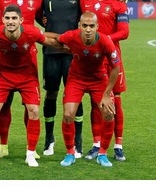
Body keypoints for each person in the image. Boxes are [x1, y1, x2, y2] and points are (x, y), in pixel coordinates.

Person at [0, 4, 60, 167]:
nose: (10, 21)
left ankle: (30, 154)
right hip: (3, 75)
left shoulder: (31, 32)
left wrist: (74, 45)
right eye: (7, 18)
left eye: (14, 18)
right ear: (2, 20)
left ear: (21, 20)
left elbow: (49, 41)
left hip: (26, 75)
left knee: (34, 110)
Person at [48, 12, 120, 167]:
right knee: (68, 115)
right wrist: (38, 34)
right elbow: (56, 38)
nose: (88, 29)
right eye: (85, 26)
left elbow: (115, 67)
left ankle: (103, 153)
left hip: (98, 79)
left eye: (91, 26)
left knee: (108, 113)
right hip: (76, 79)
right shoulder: (72, 36)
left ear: (97, 27)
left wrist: (107, 94)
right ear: (79, 26)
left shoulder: (106, 41)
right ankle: (70, 153)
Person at [37, 0, 89, 158]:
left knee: (74, 96)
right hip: (50, 52)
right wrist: (52, 31)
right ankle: (49, 140)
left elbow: (94, 4)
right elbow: (37, 16)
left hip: (73, 55)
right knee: (51, 94)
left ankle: (78, 141)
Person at [0, 0, 43, 159]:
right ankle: (3, 145)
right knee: (3, 103)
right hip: (6, 54)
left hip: (29, 55)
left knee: (30, 104)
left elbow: (41, 18)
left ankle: (31, 147)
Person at [80, 0, 129, 162]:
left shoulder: (118, 1)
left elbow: (124, 32)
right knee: (95, 102)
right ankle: (96, 144)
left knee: (115, 100)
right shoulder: (84, 0)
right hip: (92, 60)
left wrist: (105, 40)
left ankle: (118, 145)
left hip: (112, 59)